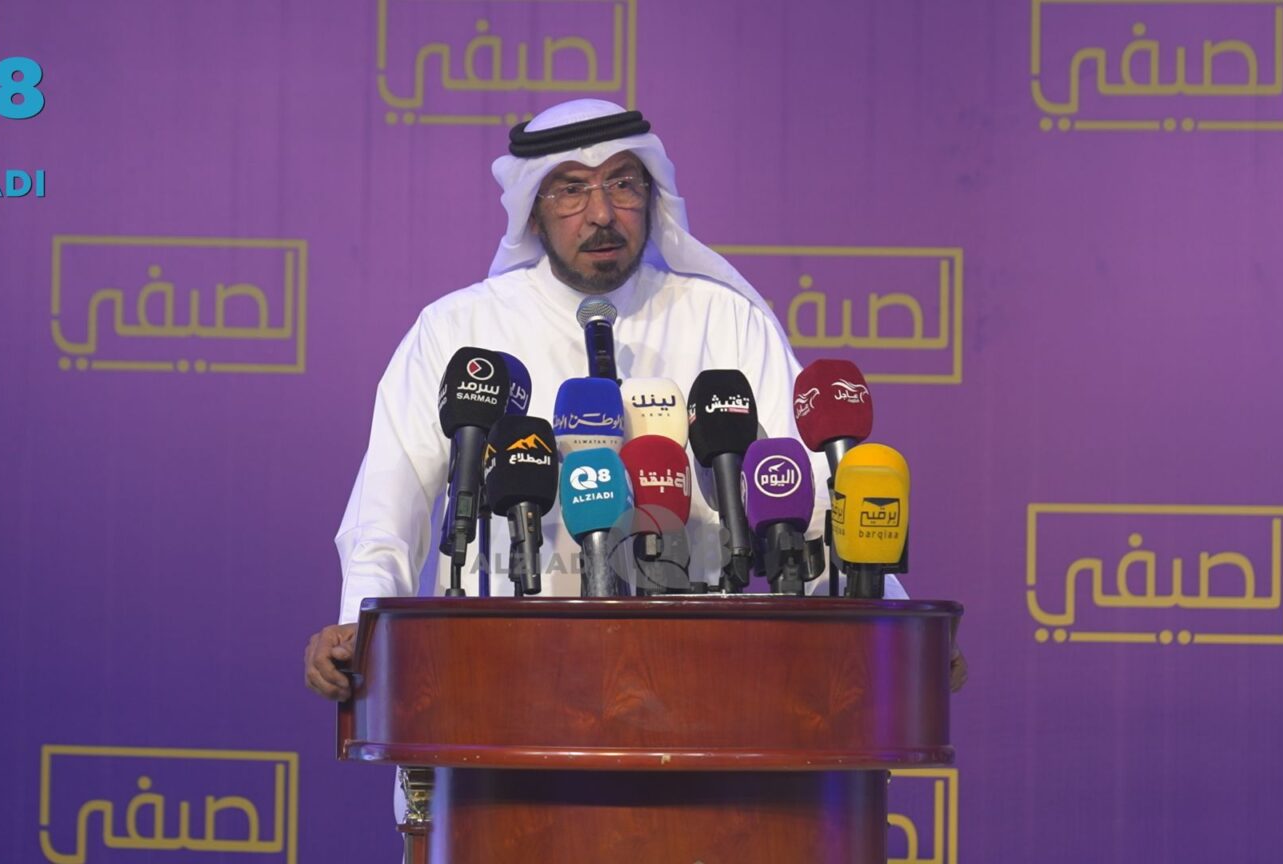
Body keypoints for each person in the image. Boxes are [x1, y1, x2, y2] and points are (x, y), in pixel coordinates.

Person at [305, 100, 967, 705]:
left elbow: (816, 500)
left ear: (652, 195)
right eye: (571, 189)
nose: (601, 214)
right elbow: (387, 509)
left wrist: (895, 629)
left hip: (700, 677)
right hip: (505, 676)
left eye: (622, 184)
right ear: (532, 209)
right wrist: (360, 620)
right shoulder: (459, 330)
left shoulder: (724, 322)